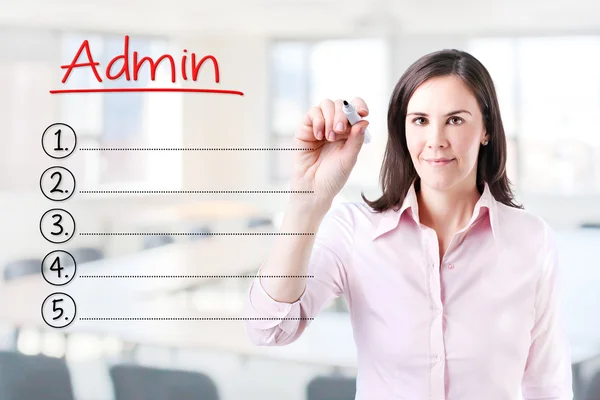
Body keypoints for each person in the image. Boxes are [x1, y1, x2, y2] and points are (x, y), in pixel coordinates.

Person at [242, 49, 573, 399]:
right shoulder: (356, 231)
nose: (436, 140)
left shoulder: (531, 240)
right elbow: (269, 328)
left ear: (487, 129)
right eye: (420, 120)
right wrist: (305, 205)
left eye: (456, 120)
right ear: (403, 130)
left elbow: (547, 384)